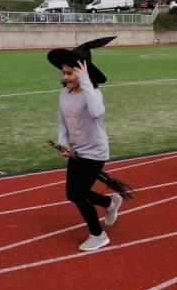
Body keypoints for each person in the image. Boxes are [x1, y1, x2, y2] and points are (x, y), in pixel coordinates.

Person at [48, 37, 124, 251]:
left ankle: (98, 235)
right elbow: (62, 121)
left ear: (83, 73)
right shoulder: (64, 94)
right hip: (77, 151)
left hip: (95, 152)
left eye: (70, 73)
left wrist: (85, 81)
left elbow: (97, 112)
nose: (65, 77)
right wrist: (63, 143)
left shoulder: (93, 94)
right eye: (63, 72)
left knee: (80, 195)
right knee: (71, 194)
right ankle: (109, 202)